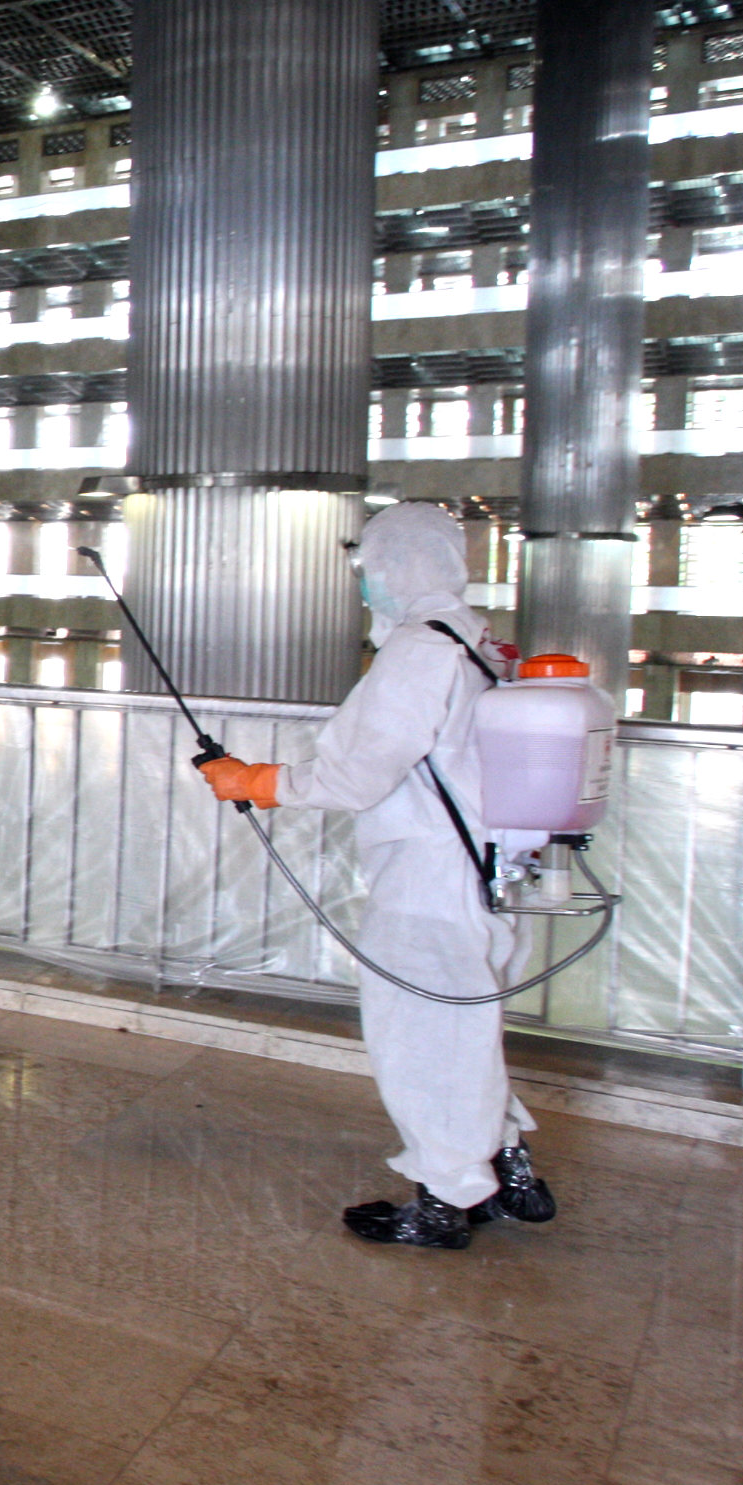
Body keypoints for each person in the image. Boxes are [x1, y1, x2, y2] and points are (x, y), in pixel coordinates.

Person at [196, 500, 558, 1251]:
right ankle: (505, 1168)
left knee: (424, 1040)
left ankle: (445, 1201)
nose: (367, 583)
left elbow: (359, 772)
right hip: (489, 873)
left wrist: (257, 782)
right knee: (465, 1031)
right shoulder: (478, 644)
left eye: (370, 568)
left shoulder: (420, 651)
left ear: (396, 566)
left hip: (430, 880)